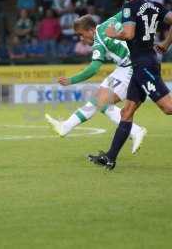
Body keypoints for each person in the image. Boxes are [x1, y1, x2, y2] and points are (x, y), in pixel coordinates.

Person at [88, 0, 172, 170]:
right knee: (127, 112)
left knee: (168, 107)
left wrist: (113, 34)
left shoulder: (129, 7)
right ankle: (110, 157)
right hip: (144, 64)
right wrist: (166, 43)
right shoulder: (154, 6)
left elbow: (129, 33)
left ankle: (110, 157)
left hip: (143, 66)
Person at [46, 13, 147, 154]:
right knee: (97, 101)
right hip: (125, 67)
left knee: (102, 103)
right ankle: (66, 127)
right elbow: (126, 10)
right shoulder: (108, 22)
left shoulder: (98, 41)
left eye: (81, 34)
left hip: (132, 68)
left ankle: (136, 130)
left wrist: (71, 80)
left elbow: (93, 68)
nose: (82, 38)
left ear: (90, 30)